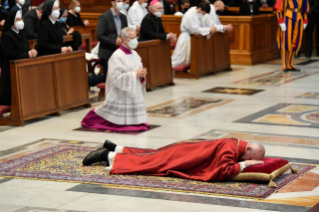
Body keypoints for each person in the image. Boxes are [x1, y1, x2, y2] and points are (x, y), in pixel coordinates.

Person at [82, 138, 265, 182]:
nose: (248, 160)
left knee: (151, 155)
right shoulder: (231, 149)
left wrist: (246, 161)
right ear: (248, 148)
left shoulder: (236, 144)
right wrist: (244, 164)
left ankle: (114, 148)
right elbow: (223, 171)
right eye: (249, 157)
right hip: (183, 156)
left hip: (185, 150)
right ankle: (106, 156)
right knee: (150, 163)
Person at [81, 27, 150, 132]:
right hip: (120, 93)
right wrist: (134, 75)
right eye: (132, 38)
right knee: (107, 115)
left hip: (132, 91)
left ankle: (135, 120)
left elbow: (138, 70)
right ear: (124, 39)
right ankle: (92, 117)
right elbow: (115, 77)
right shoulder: (117, 56)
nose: (135, 40)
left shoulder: (135, 54)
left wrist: (141, 74)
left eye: (136, 37)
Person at [0, 10, 37, 106]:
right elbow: (10, 54)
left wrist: (31, 52)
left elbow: (26, 49)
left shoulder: (23, 33)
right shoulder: (7, 35)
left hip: (23, 68)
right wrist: (27, 55)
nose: (20, 21)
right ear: (12, 21)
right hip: (11, 70)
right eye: (17, 20)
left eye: (21, 19)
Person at [88, 0, 128, 87]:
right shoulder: (104, 17)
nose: (121, 2)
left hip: (121, 52)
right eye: (119, 1)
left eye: (122, 1)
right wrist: (114, 42)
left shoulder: (124, 17)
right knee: (109, 77)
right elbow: (100, 36)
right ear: (113, 3)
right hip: (107, 52)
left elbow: (125, 33)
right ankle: (88, 81)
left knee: (118, 76)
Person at [171, 2, 216, 68]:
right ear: (200, 9)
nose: (203, 15)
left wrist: (209, 30)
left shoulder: (198, 14)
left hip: (193, 38)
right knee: (179, 59)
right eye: (203, 13)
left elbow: (202, 27)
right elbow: (195, 30)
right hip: (186, 38)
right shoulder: (190, 14)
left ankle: (192, 69)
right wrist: (209, 30)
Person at [274, 0, 309, 72]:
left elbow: (305, 9)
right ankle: (284, 64)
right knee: (286, 41)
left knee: (295, 41)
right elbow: (278, 8)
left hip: (299, 18)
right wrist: (280, 21)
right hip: (288, 17)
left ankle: (290, 63)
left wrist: (305, 20)